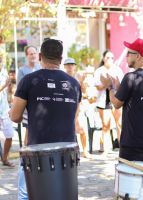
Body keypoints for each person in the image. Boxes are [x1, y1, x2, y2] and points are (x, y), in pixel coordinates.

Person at [9, 39, 81, 200]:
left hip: (38, 153)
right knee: (65, 194)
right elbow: (73, 113)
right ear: (61, 59)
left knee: (31, 194)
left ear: (40, 56)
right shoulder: (75, 84)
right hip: (68, 151)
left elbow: (15, 116)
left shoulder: (28, 81)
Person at [101, 38, 143, 163]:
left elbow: (117, 104)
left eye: (129, 53)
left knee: (129, 180)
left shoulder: (131, 77)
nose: (126, 56)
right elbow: (138, 97)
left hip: (134, 141)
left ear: (138, 56)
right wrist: (119, 87)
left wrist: (110, 87)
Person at [63, 57, 90, 158]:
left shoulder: (79, 77)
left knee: (82, 130)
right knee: (69, 131)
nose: (70, 66)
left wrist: (82, 82)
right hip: (66, 107)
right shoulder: (62, 77)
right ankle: (71, 152)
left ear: (75, 66)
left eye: (72, 64)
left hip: (78, 106)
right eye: (68, 64)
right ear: (65, 66)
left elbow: (85, 92)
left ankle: (85, 151)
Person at [17, 45, 40, 145]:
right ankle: (26, 158)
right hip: (28, 106)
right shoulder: (22, 70)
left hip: (41, 105)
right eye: (31, 54)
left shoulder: (41, 68)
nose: (33, 55)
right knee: (29, 131)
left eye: (34, 53)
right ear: (27, 56)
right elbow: (19, 89)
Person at [0, 55, 15, 167]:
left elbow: (8, 92)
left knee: (9, 135)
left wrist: (9, 86)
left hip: (4, 110)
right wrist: (5, 85)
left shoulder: (4, 73)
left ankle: (5, 159)